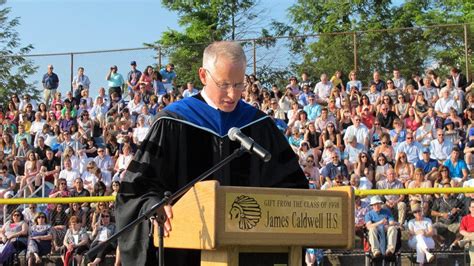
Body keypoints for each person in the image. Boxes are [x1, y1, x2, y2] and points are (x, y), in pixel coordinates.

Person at [116, 41, 308, 266]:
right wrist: (152, 206)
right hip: (184, 252)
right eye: (224, 84)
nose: (232, 94)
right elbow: (137, 188)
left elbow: (293, 187)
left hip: (250, 254)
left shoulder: (259, 125)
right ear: (203, 76)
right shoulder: (173, 122)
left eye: (239, 84)